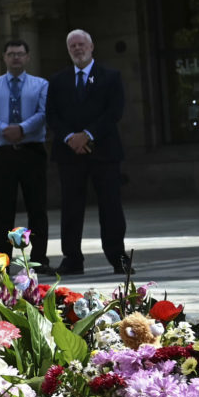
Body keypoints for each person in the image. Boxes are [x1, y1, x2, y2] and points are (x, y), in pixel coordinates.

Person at [49, 27, 130, 279]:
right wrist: (70, 138)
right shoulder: (58, 80)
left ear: (92, 47)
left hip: (104, 152)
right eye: (72, 45)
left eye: (81, 44)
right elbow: (52, 115)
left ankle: (118, 258)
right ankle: (72, 259)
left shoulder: (110, 76)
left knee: (111, 206)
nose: (77, 49)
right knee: (71, 208)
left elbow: (114, 112)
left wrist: (88, 134)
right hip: (69, 154)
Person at [0, 37, 50, 268]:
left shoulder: (41, 84)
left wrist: (22, 128)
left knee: (37, 208)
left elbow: (43, 113)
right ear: (4, 57)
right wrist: (4, 129)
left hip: (31, 150)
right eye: (11, 54)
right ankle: (2, 261)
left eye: (20, 53)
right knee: (3, 210)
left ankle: (39, 258)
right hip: (2, 152)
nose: (15, 57)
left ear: (27, 57)